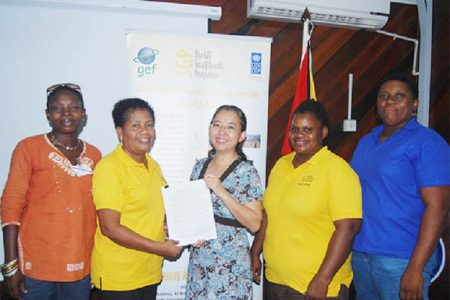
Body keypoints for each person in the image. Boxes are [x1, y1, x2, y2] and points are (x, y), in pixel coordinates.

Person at [350, 73, 449, 300]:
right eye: (383, 96)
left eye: (399, 96)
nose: (390, 101)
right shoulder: (366, 141)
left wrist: (415, 267)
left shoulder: (427, 142)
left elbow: (439, 207)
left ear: (414, 104)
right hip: (361, 253)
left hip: (402, 259)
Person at [251, 100, 362, 299]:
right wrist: (255, 252)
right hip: (276, 281)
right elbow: (268, 215)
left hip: (316, 288)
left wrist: (322, 279)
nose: (299, 135)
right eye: (295, 129)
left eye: (308, 129)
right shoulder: (281, 165)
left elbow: (349, 228)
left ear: (324, 132)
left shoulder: (338, 171)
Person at [1, 83, 101, 299]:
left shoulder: (94, 155)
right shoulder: (28, 148)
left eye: (74, 107)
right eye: (57, 108)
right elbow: (10, 207)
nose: (66, 113)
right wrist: (10, 267)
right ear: (48, 115)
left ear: (83, 114)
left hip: (80, 266)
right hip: (36, 268)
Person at [91, 98, 182, 300]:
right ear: (120, 132)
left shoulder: (154, 166)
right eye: (136, 125)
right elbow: (110, 228)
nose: (145, 132)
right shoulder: (109, 168)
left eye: (149, 125)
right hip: (120, 277)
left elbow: (157, 210)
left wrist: (174, 227)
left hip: (148, 272)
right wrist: (161, 248)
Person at [185, 105, 263, 300]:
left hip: (231, 266)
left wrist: (221, 190)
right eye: (216, 125)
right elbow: (192, 212)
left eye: (230, 127)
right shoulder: (199, 166)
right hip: (200, 261)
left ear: (242, 135)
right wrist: (186, 233)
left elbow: (255, 224)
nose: (221, 132)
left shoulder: (247, 172)